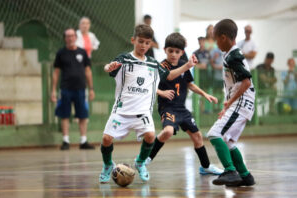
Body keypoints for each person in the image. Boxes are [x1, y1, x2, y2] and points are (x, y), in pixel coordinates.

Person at [99, 24, 198, 183]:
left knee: (151, 136)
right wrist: (108, 67)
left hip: (143, 112)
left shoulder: (153, 64)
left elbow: (170, 76)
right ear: (133, 40)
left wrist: (187, 66)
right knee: (106, 139)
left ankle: (140, 162)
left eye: (147, 42)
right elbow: (108, 67)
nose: (143, 45)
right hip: (122, 111)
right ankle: (107, 165)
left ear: (151, 44)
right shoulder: (124, 59)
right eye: (140, 41)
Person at [145, 32, 223, 175]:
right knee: (167, 131)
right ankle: (146, 159)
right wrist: (161, 93)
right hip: (167, 107)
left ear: (182, 52)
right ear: (165, 50)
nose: (173, 54)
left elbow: (189, 84)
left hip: (181, 108)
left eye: (177, 51)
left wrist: (205, 94)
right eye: (170, 51)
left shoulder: (183, 64)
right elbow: (153, 83)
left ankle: (205, 167)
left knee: (197, 136)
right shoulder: (162, 65)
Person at [207, 19, 256, 187]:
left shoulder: (234, 56)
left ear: (223, 37)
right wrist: (228, 103)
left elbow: (246, 82)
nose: (215, 43)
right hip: (241, 103)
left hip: (241, 103)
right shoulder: (229, 54)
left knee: (214, 134)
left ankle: (230, 171)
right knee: (228, 142)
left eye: (216, 39)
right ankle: (245, 175)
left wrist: (229, 103)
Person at [51, 28, 96, 150]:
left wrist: (91, 88)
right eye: (67, 36)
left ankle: (83, 141)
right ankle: (65, 141)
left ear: (76, 37)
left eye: (72, 36)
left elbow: (88, 71)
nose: (70, 38)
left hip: (81, 89)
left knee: (82, 115)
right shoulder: (61, 53)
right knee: (64, 114)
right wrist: (53, 90)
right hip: (65, 89)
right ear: (65, 38)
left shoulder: (82, 52)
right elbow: (56, 72)